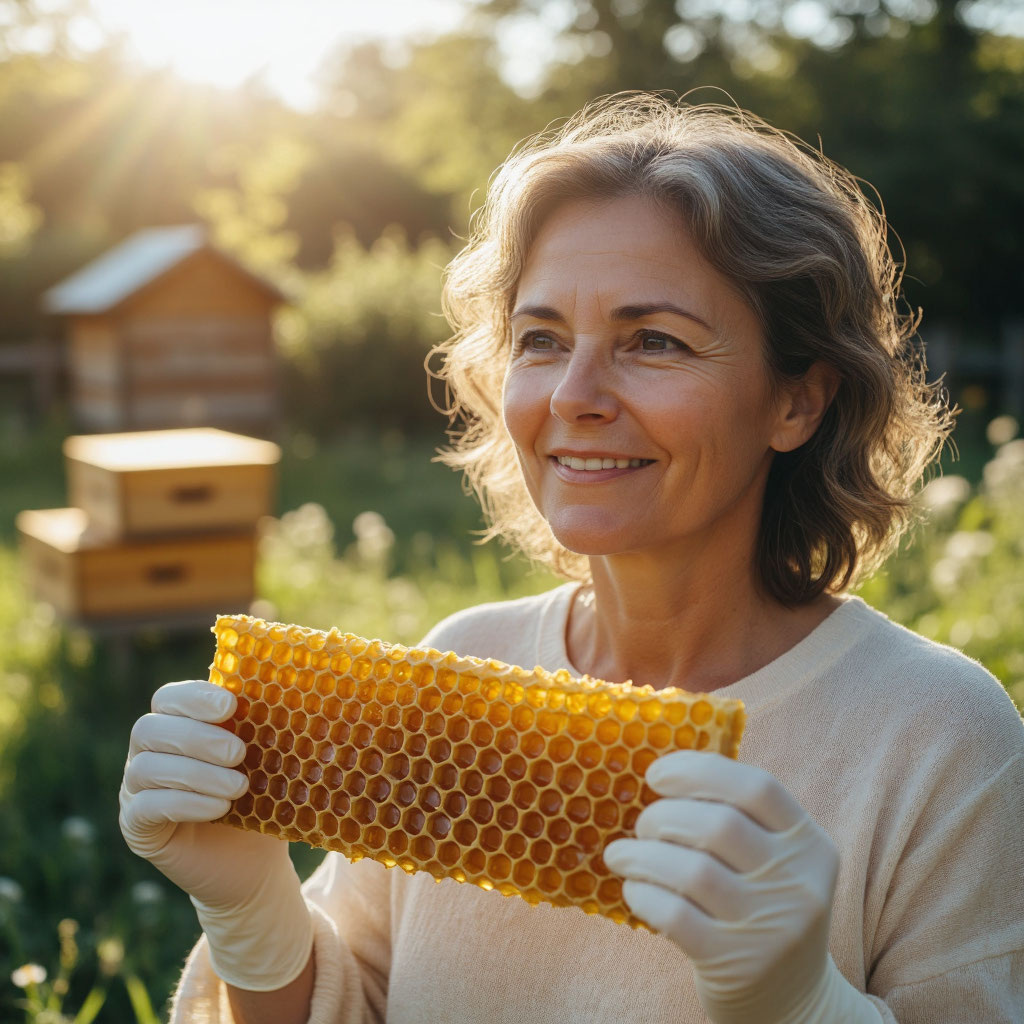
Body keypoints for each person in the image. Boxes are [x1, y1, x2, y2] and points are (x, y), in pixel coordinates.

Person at [119, 94, 1024, 1024]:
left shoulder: (940, 736)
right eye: (541, 340)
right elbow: (355, 1007)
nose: (573, 395)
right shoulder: (463, 666)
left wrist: (807, 1008)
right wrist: (253, 912)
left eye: (654, 341)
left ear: (798, 401)